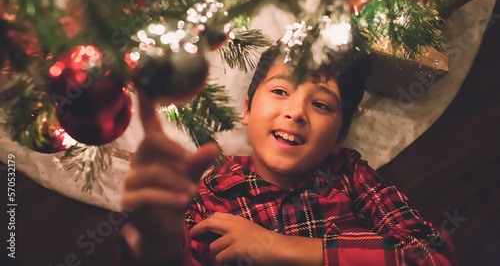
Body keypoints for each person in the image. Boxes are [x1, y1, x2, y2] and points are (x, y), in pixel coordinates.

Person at [120, 46, 456, 265]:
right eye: (280, 91)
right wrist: (158, 243)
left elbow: (431, 257)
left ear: (340, 135)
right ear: (248, 109)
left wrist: (277, 247)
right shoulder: (211, 198)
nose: (295, 112)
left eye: (321, 104)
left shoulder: (349, 174)